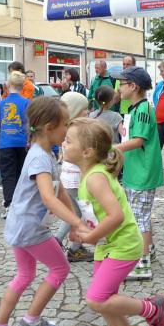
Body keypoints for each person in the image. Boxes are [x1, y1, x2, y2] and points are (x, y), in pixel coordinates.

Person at [65, 118, 164, 326]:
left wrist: (90, 237)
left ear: (87, 151)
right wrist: (83, 229)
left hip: (123, 245)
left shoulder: (95, 178)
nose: (64, 144)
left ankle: (152, 309)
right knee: (106, 303)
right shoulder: (88, 174)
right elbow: (99, 215)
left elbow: (116, 216)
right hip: (108, 245)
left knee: (96, 300)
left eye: (68, 141)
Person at [0, 97, 85, 326]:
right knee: (60, 269)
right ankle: (31, 320)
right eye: (65, 124)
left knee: (24, 275)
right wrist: (77, 223)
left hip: (20, 225)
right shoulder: (40, 158)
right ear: (49, 128)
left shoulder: (43, 152)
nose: (68, 130)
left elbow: (60, 190)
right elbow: (49, 198)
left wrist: (75, 218)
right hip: (31, 229)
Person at [113, 66, 163, 281]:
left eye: (122, 84)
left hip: (142, 173)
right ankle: (148, 249)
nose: (118, 88)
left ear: (133, 86)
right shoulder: (136, 108)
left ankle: (142, 264)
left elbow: (138, 141)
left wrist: (111, 149)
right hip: (136, 171)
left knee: (138, 218)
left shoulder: (142, 110)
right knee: (140, 214)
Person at [55, 92, 94, 263]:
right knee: (84, 214)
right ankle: (74, 248)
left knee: (73, 213)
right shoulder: (78, 131)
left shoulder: (66, 128)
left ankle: (58, 241)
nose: (88, 112)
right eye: (85, 109)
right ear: (75, 111)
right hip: (77, 179)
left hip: (68, 178)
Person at [0, 71, 31, 218]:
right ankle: (20, 202)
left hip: (5, 142)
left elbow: (0, 121)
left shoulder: (2, 103)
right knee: (20, 173)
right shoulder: (26, 102)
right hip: (22, 142)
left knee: (7, 175)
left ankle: (9, 204)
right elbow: (28, 123)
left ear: (8, 85)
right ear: (22, 86)